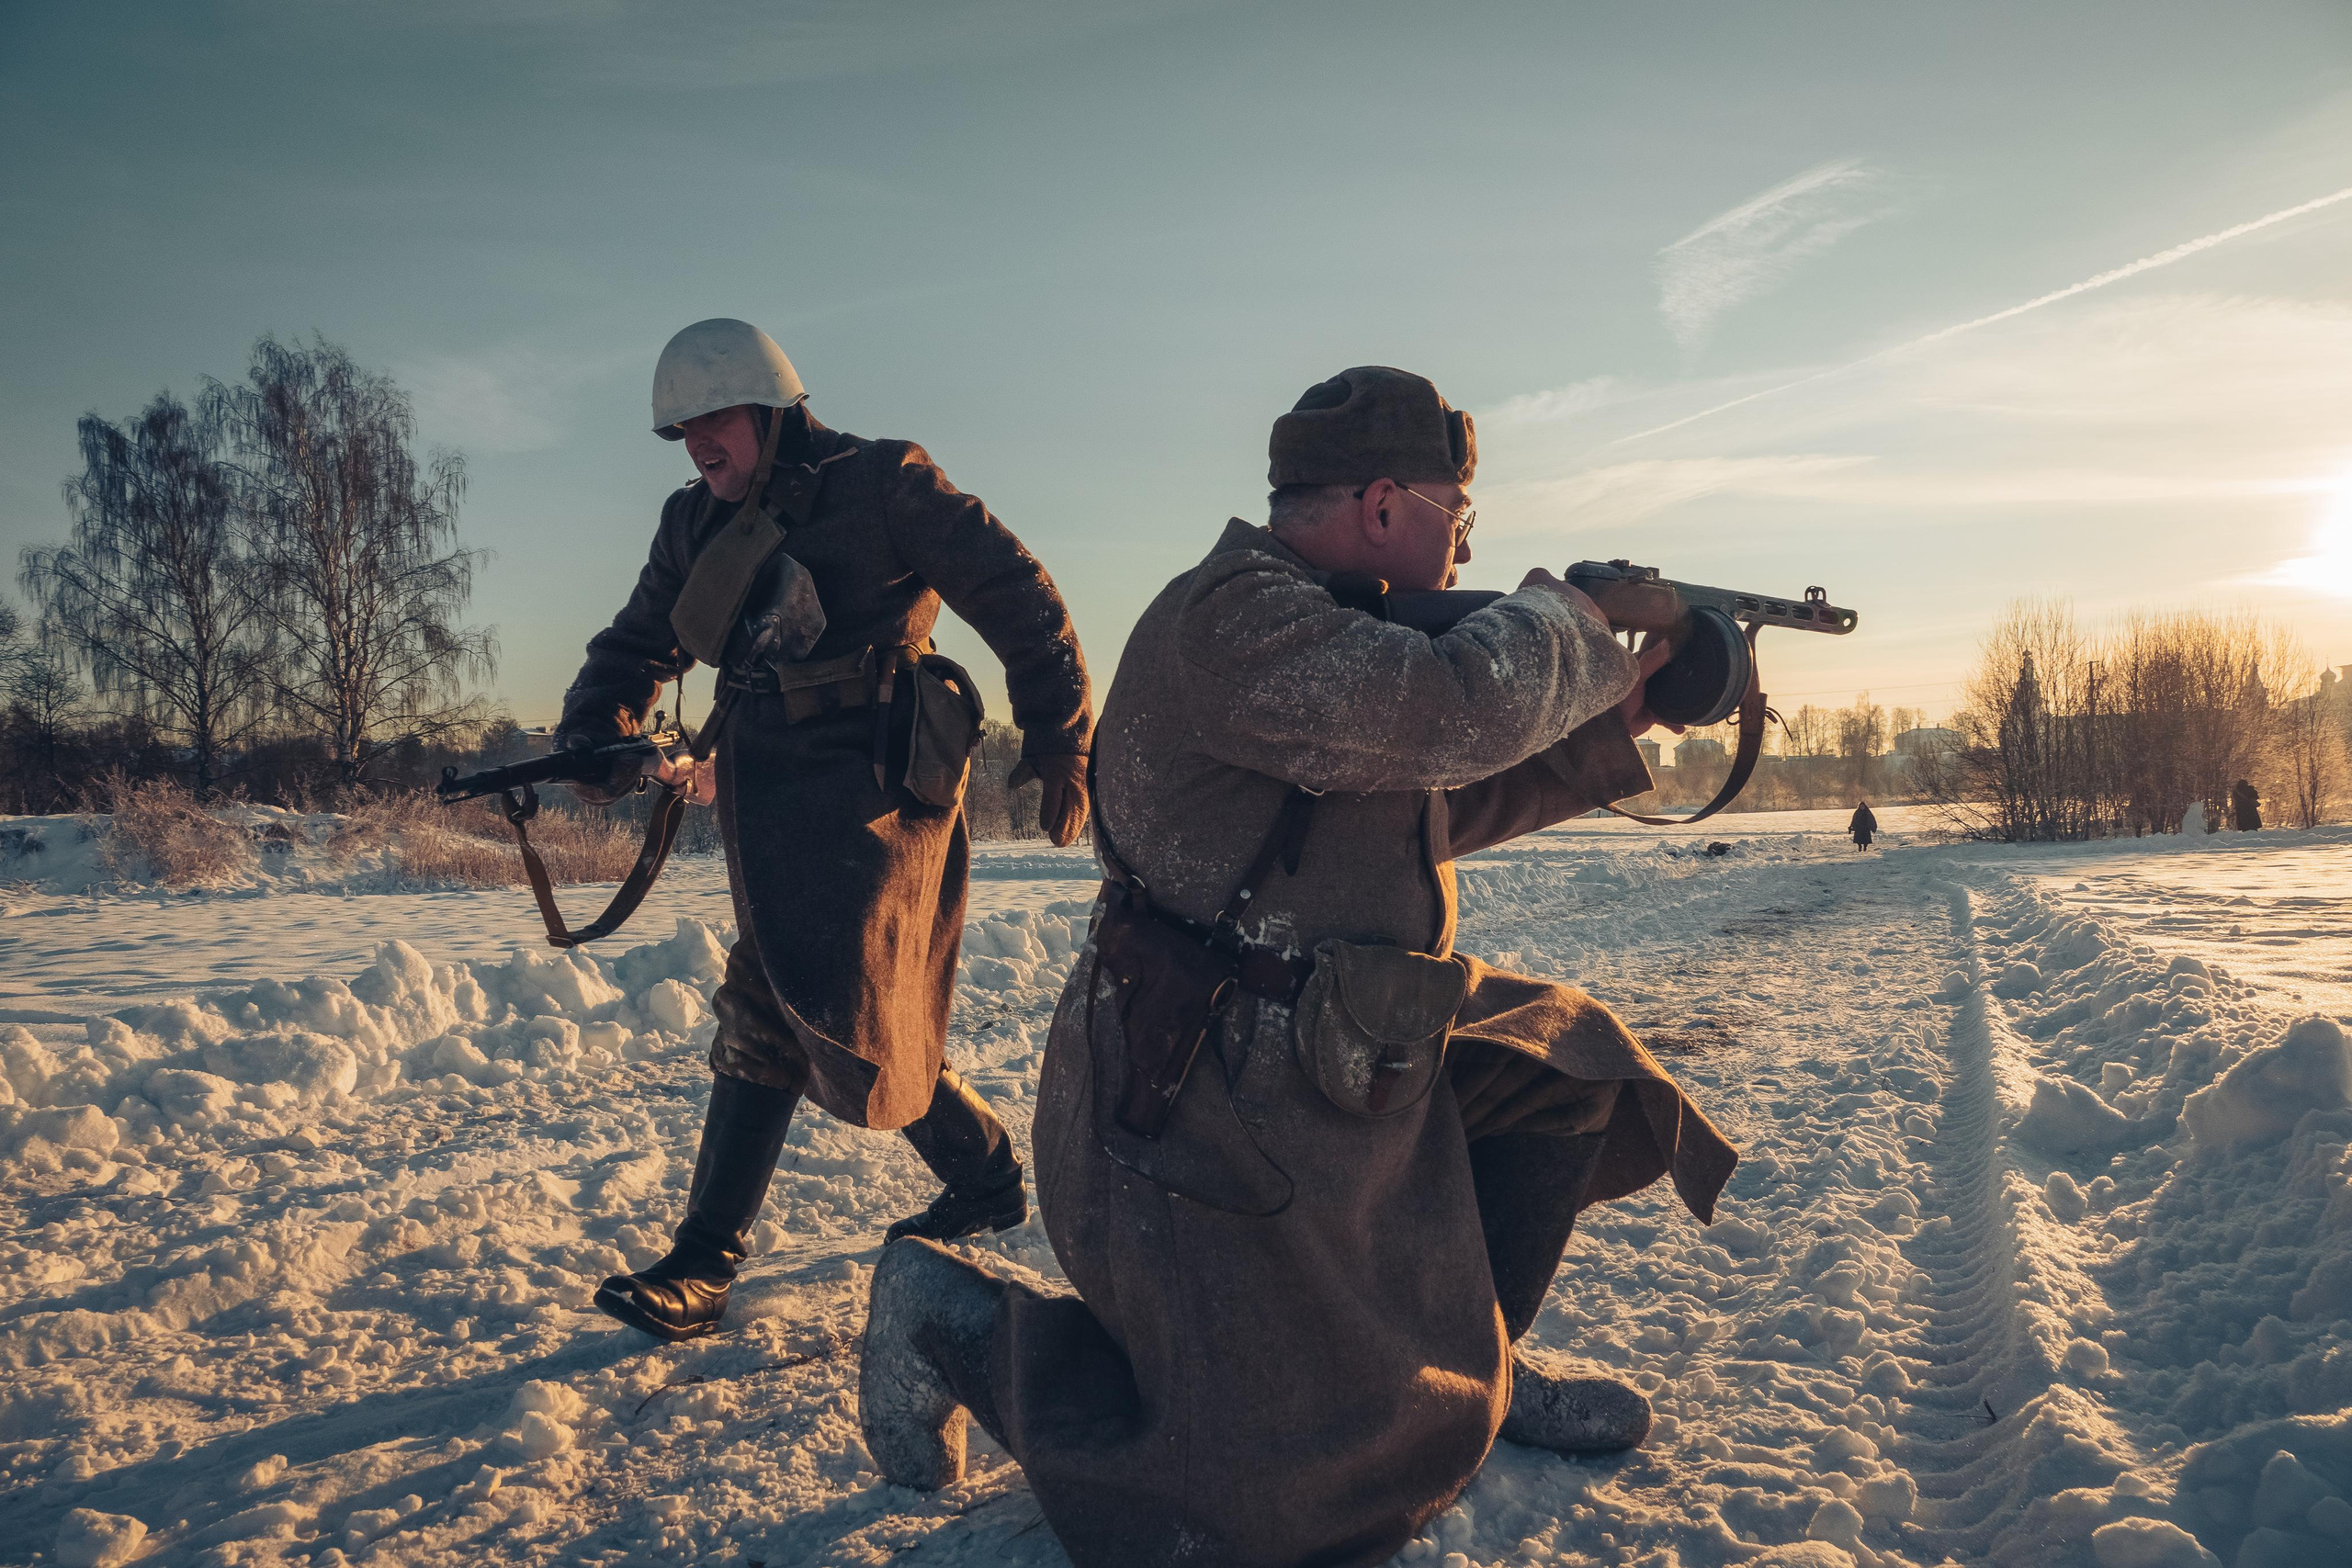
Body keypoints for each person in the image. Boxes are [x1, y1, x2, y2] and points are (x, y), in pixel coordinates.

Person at [857, 367, 1737, 1568]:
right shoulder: (1235, 618)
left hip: (1336, 1067)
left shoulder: (1333, 637)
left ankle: (1463, 1360)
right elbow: (1447, 710)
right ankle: (956, 1322)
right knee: (1261, 1501)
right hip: (1191, 1111)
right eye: (1453, 513)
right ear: (1382, 504)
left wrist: (1623, 708)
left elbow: (1438, 791)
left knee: (1568, 1064)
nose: (1464, 540)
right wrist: (1575, 621)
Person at [557, 319, 1092, 1342]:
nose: (697, 446)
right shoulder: (691, 524)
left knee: (785, 989)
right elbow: (637, 644)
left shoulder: (885, 482)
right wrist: (596, 730)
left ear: (769, 406)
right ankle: (982, 1175)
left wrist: (1062, 736)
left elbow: (1019, 597)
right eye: (681, 433)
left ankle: (706, 1260)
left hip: (883, 790)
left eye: (712, 422)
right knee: (836, 1001)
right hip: (770, 794)